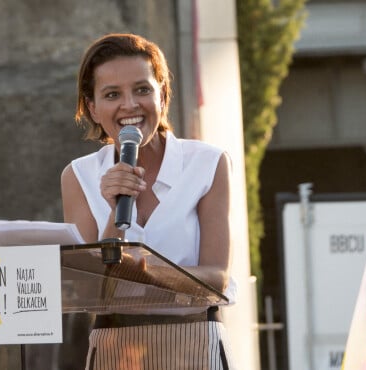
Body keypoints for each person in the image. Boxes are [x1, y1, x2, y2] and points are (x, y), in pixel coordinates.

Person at [61, 33, 236, 370]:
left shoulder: (208, 163)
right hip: (115, 346)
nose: (130, 105)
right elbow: (92, 292)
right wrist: (115, 210)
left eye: (142, 89)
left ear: (163, 95)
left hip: (195, 341)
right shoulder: (78, 176)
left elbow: (217, 278)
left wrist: (142, 271)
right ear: (93, 109)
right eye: (112, 94)